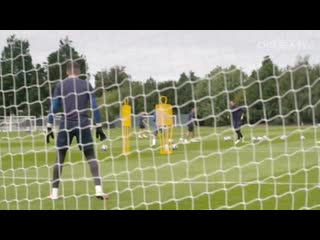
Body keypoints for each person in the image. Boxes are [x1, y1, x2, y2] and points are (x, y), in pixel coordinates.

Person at [46, 62, 108, 200]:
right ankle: (98, 190)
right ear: (79, 72)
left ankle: (54, 193)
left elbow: (54, 107)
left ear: (67, 72)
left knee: (60, 157)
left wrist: (49, 126)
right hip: (83, 123)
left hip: (65, 123)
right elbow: (95, 107)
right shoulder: (86, 84)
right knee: (91, 156)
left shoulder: (60, 85)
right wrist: (99, 126)